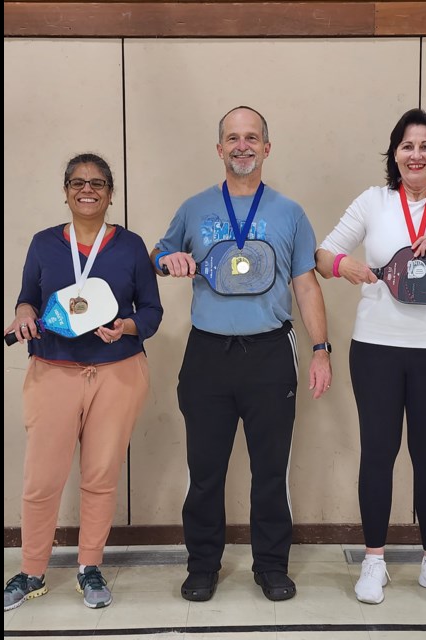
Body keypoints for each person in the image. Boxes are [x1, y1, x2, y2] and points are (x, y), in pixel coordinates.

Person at [151, 106, 332, 603]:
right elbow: (157, 255)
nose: (242, 145)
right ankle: (202, 566)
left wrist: (321, 349)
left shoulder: (289, 212)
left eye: (252, 137)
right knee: (204, 470)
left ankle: (271, 566)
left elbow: (305, 284)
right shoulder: (194, 208)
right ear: (219, 149)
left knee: (271, 470)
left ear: (267, 148)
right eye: (233, 138)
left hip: (271, 354)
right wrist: (169, 260)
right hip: (207, 355)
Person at [315, 108, 426, 606]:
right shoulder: (374, 202)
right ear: (395, 154)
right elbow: (323, 256)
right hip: (377, 349)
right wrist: (346, 265)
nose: (416, 154)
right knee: (378, 453)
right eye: (407, 145)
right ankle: (374, 561)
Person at [3, 153, 164, 611]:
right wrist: (23, 314)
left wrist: (125, 328)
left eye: (97, 182)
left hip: (117, 374)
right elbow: (27, 300)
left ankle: (89, 566)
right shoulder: (43, 243)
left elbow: (151, 313)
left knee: (100, 476)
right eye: (77, 182)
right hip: (52, 371)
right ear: (66, 191)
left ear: (111, 193)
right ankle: (31, 571)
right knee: (41, 480)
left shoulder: (131, 246)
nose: (86, 189)